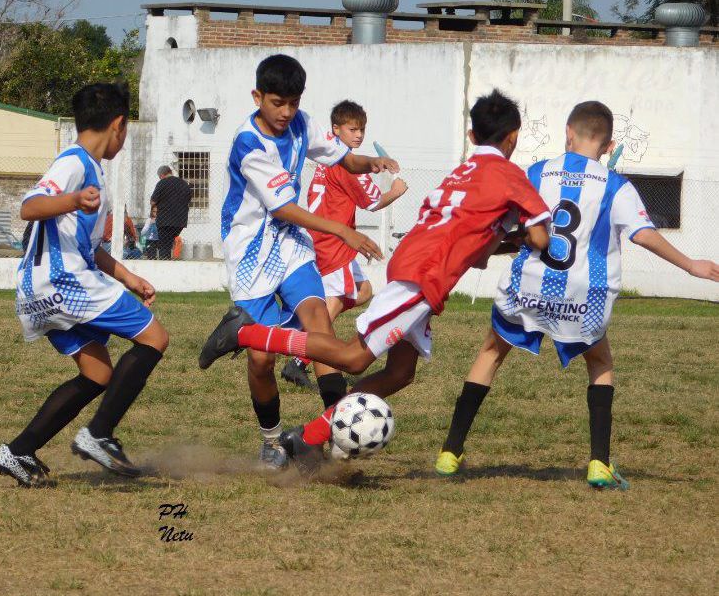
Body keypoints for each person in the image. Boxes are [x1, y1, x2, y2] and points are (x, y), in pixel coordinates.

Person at [200, 89, 551, 472]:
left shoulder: (462, 173)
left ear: (471, 137)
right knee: (353, 357)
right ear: (513, 138)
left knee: (401, 374)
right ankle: (247, 336)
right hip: (423, 276)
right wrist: (526, 237)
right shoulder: (510, 176)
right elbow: (541, 239)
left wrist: (501, 238)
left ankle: (312, 434)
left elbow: (478, 252)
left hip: (420, 266)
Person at [434, 101, 719, 489]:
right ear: (608, 143)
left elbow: (504, 222)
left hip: (529, 284)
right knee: (600, 362)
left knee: (490, 353)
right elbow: (644, 234)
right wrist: (690, 266)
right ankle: (599, 463)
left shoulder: (535, 172)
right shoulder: (616, 185)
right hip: (584, 294)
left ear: (567, 133)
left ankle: (451, 451)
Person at [206, 53, 399, 470]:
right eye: (277, 103)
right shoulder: (248, 142)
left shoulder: (302, 121)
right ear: (257, 96)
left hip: (291, 244)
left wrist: (372, 162)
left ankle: (331, 430)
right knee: (261, 358)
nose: (286, 112)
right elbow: (282, 208)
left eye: (293, 102)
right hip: (251, 253)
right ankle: (271, 440)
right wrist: (343, 230)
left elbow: (342, 158)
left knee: (319, 321)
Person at [0, 83, 169, 487]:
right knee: (155, 337)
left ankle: (17, 450)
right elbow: (29, 206)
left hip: (38, 288)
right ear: (119, 125)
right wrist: (73, 199)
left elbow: (89, 247)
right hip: (64, 280)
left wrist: (127, 276)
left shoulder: (90, 170)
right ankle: (99, 434)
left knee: (97, 375)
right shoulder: (75, 163)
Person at [281, 100, 409, 388]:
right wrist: (397, 191)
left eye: (361, 129)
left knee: (362, 291)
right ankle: (301, 357)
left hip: (326, 237)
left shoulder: (329, 161)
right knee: (336, 301)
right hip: (333, 239)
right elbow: (373, 201)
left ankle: (304, 345)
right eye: (352, 129)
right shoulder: (345, 163)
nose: (358, 135)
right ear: (335, 130)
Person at [149, 165, 192, 260]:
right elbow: (188, 200)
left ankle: (164, 265)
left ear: (161, 175)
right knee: (169, 242)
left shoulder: (162, 183)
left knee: (164, 246)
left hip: (165, 220)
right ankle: (169, 263)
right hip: (180, 221)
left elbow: (153, 201)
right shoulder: (184, 184)